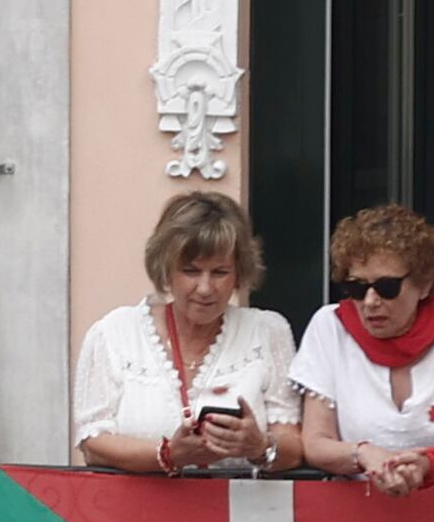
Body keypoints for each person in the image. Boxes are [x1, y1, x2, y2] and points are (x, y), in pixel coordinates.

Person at [289, 204, 434, 491]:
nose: (370, 301)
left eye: (387, 287)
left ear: (424, 285)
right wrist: (364, 454)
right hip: (353, 518)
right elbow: (316, 442)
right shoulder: (329, 326)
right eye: (356, 287)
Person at [72, 192, 298, 473]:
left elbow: (294, 447)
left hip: (240, 515)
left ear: (239, 273)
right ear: (166, 270)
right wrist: (168, 454)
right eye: (191, 271)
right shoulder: (114, 333)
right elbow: (93, 444)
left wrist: (260, 447)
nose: (205, 288)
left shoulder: (268, 331)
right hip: (137, 515)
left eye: (219, 272)